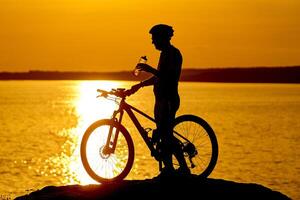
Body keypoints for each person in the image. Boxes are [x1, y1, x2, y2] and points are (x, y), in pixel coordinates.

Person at [129, 24, 190, 177]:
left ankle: (182, 168)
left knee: (166, 135)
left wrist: (149, 69)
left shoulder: (174, 54)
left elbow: (167, 77)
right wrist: (140, 85)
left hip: (169, 100)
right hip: (161, 100)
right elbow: (158, 77)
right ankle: (169, 169)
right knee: (164, 135)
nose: (153, 42)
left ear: (163, 38)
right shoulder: (164, 54)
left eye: (154, 38)